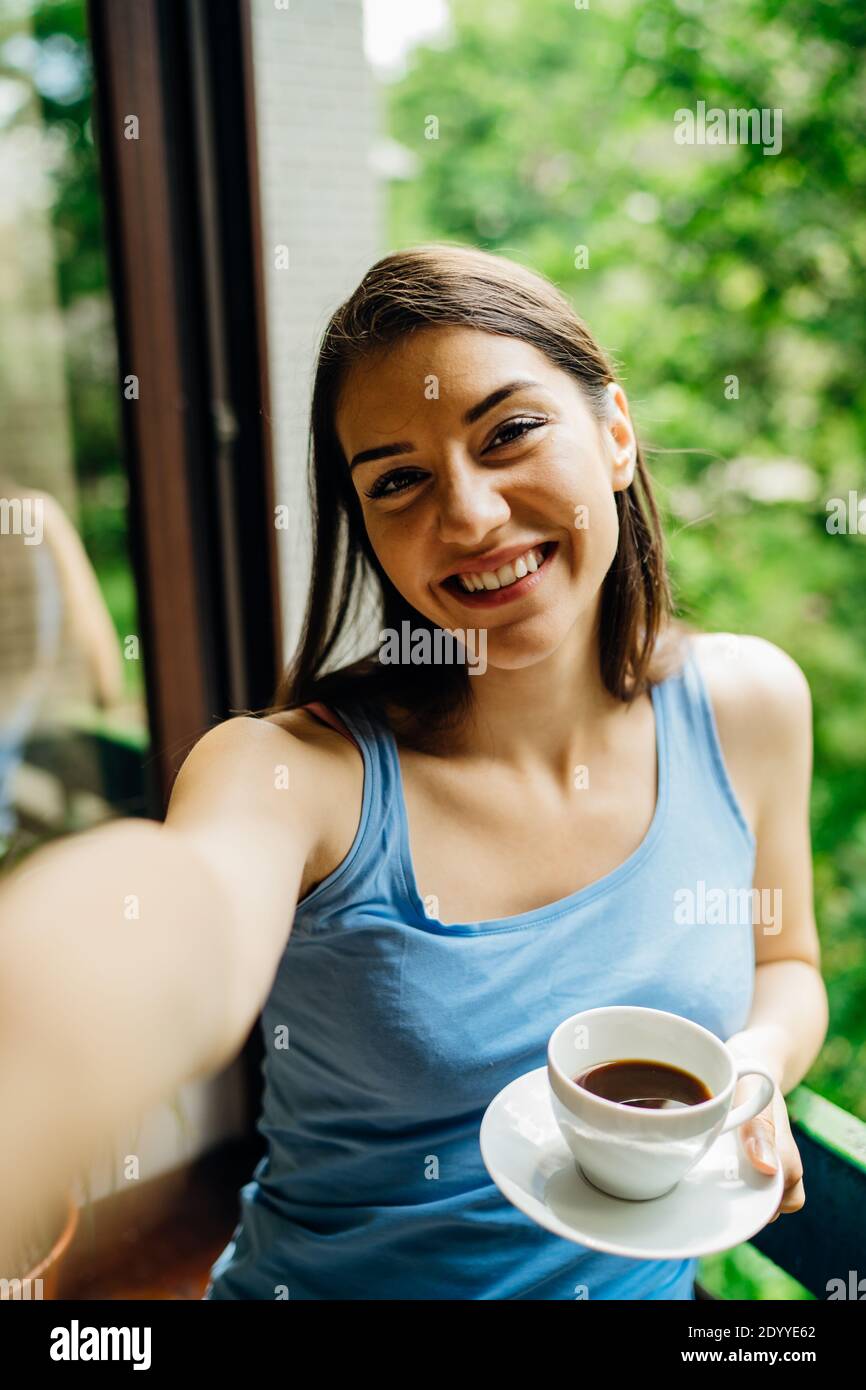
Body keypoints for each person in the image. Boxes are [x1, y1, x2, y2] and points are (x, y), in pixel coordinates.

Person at [0, 244, 828, 1299]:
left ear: (614, 433)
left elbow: (786, 961)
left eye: (509, 432)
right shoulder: (292, 774)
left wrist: (748, 1071)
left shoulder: (748, 705)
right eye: (398, 480)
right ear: (368, 535)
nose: (472, 515)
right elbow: (177, 919)